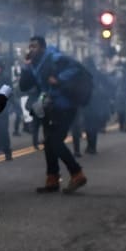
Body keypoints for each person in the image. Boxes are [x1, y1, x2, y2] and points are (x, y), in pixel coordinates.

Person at [18, 36, 88, 194]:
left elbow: (76, 68)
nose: (31, 49)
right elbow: (24, 86)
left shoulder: (55, 58)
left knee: (54, 141)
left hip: (65, 106)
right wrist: (26, 66)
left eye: (34, 46)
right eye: (30, 46)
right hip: (49, 108)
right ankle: (52, 179)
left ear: (42, 47)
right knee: (49, 143)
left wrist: (59, 79)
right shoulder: (34, 64)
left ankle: (77, 173)